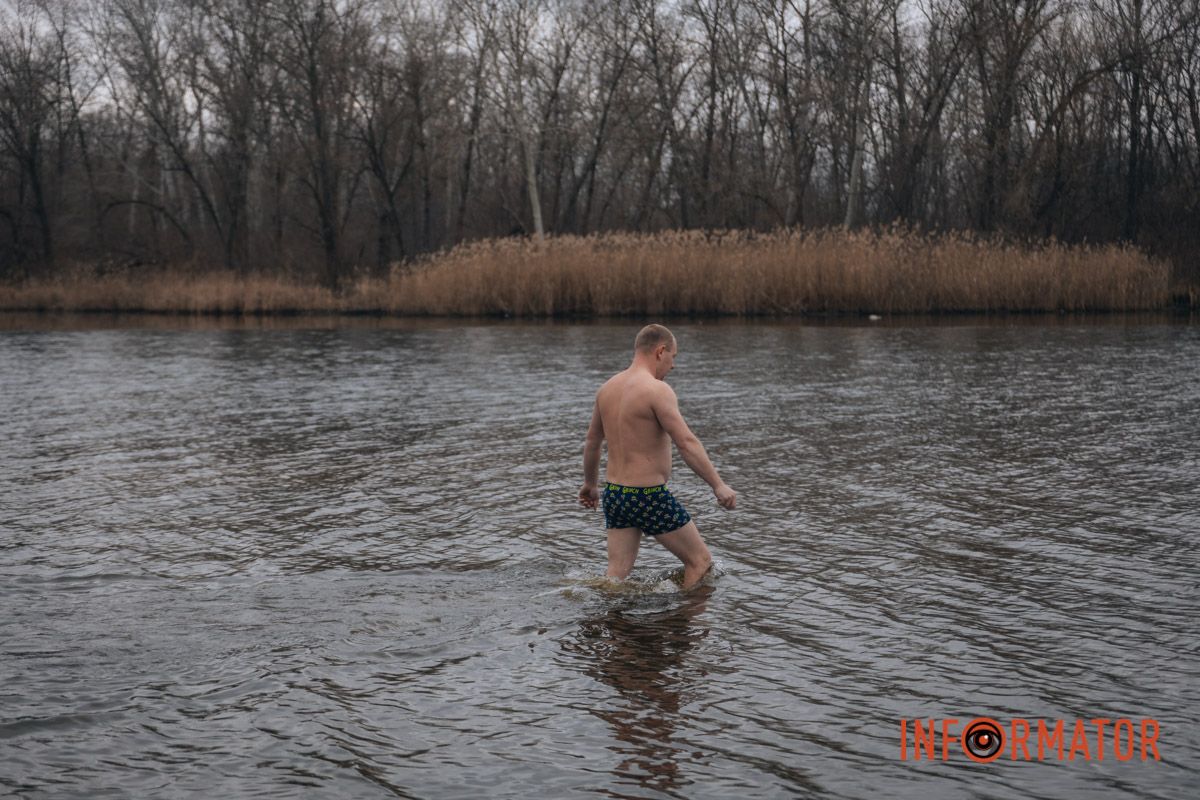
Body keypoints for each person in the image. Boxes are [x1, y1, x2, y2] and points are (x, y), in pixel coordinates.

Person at [578, 324, 737, 590]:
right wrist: (718, 485)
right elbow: (686, 442)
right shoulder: (657, 390)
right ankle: (683, 625)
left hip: (615, 494)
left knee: (616, 577)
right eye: (673, 357)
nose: (673, 366)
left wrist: (590, 485)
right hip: (647, 495)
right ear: (660, 351)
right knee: (701, 562)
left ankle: (614, 627)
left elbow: (593, 441)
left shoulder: (607, 389)